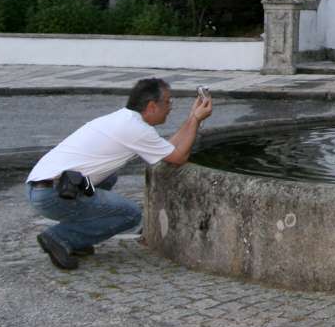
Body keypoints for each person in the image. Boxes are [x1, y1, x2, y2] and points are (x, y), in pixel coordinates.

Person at [25, 77, 213, 271]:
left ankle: (78, 238)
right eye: (167, 102)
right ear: (151, 106)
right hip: (53, 195)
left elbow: (168, 151)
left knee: (109, 177)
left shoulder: (125, 119)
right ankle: (59, 238)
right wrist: (195, 120)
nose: (170, 107)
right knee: (130, 214)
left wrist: (192, 118)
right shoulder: (137, 129)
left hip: (44, 187)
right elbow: (179, 157)